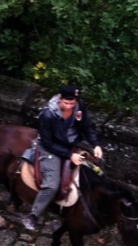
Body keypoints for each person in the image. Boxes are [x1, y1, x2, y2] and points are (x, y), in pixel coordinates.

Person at [20, 84, 102, 232]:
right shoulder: (48, 115)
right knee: (52, 185)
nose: (70, 106)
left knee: (98, 165)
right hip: (52, 148)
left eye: (72, 103)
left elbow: (87, 126)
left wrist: (95, 144)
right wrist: (69, 155)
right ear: (59, 99)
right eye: (66, 103)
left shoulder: (80, 107)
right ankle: (33, 214)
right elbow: (47, 142)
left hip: (73, 142)